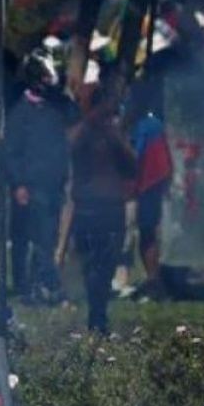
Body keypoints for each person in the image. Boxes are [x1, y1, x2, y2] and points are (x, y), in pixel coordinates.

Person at [4, 48, 75, 305]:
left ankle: (38, 285)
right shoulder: (20, 114)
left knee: (49, 237)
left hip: (54, 184)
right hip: (32, 187)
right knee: (37, 239)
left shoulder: (55, 109)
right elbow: (11, 152)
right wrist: (19, 184)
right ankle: (46, 286)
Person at [69, 101, 136, 334]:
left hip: (105, 206)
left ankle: (98, 314)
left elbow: (129, 161)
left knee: (103, 265)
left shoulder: (110, 135)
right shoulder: (83, 134)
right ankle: (96, 314)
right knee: (93, 265)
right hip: (93, 206)